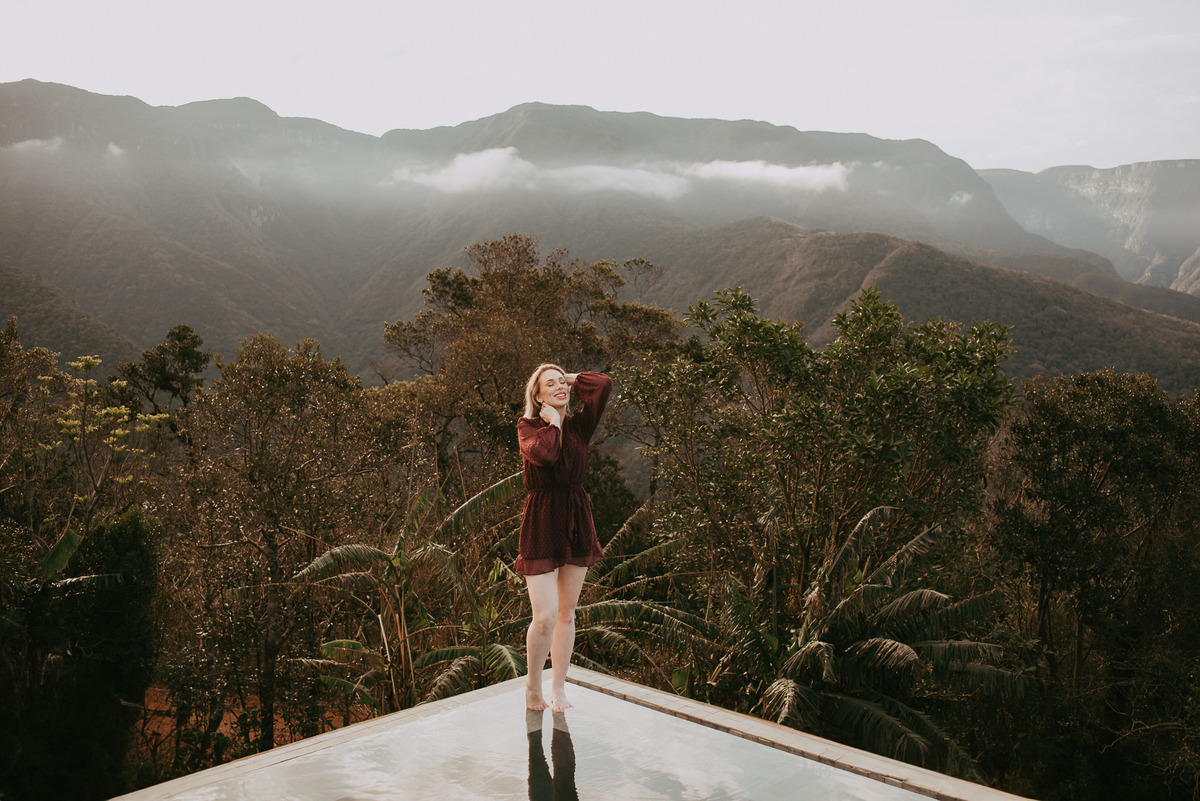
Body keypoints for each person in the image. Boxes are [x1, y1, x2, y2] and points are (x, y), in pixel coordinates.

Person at [517, 364, 612, 711]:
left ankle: (559, 687)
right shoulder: (528, 428)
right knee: (544, 616)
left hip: (575, 516)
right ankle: (533, 685)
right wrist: (553, 423)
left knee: (567, 614)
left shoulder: (580, 426)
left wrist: (570, 379)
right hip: (541, 521)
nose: (559, 388)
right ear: (537, 395)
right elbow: (545, 455)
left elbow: (603, 384)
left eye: (563, 383)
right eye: (550, 384)